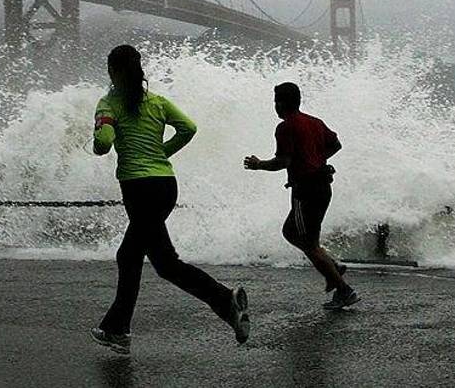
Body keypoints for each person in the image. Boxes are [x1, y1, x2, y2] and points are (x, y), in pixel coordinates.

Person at [89, 44, 249, 354]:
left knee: (135, 258)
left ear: (112, 72)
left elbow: (105, 142)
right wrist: (163, 152)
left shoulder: (109, 103)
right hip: (165, 185)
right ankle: (223, 302)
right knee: (158, 262)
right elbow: (188, 128)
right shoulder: (157, 101)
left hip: (138, 189)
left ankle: (119, 329)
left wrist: (97, 141)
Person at [243, 82, 359, 309]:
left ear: (282, 103)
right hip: (323, 187)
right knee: (294, 233)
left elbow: (282, 162)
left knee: (307, 241)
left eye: (276, 101)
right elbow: (336, 144)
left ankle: (343, 289)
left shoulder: (286, 127)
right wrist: (317, 160)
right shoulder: (315, 122)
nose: (274, 106)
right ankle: (332, 267)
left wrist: (258, 165)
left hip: (305, 190)